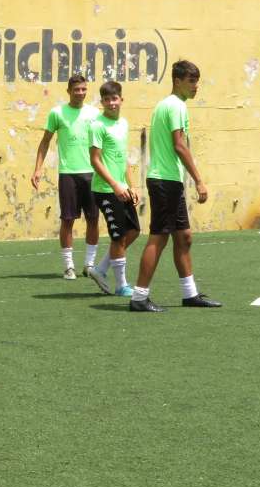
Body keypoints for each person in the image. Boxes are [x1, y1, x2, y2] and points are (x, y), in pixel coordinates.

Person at [130, 60, 222, 312]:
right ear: (177, 81)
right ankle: (139, 297)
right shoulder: (175, 106)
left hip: (169, 181)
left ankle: (190, 294)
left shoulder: (168, 105)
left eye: (197, 81)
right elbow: (179, 145)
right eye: (191, 81)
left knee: (184, 237)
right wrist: (199, 180)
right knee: (158, 239)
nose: (196, 86)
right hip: (165, 181)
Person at [31, 74, 101, 279]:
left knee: (93, 219)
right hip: (68, 174)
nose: (80, 93)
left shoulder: (95, 114)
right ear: (68, 91)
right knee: (68, 220)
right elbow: (45, 142)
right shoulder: (57, 114)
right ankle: (69, 266)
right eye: (76, 89)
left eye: (83, 89)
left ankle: (89, 265)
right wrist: (37, 169)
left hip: (92, 174)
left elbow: (102, 144)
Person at [86, 81, 139, 298]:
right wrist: (114, 185)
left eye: (114, 98)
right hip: (105, 190)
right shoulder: (97, 125)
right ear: (102, 102)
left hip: (122, 188)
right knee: (118, 237)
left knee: (133, 232)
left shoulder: (123, 124)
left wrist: (131, 184)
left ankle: (99, 270)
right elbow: (95, 160)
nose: (111, 103)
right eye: (106, 99)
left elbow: (123, 157)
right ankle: (122, 285)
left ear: (121, 99)